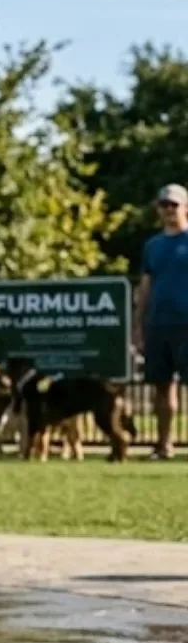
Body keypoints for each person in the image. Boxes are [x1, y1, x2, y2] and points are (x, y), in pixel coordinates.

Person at [135, 183, 188, 460]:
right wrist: (138, 325)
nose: (169, 210)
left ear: (185, 208)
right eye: (164, 205)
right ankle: (163, 445)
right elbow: (145, 287)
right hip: (159, 325)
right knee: (161, 388)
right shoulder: (152, 246)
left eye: (174, 205)